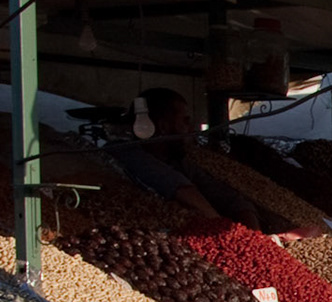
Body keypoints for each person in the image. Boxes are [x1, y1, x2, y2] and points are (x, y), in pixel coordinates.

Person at [107, 88, 272, 230]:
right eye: (185, 121)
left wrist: (254, 236)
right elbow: (177, 185)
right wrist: (222, 228)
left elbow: (230, 199)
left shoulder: (180, 161)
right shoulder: (125, 152)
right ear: (163, 126)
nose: (191, 128)